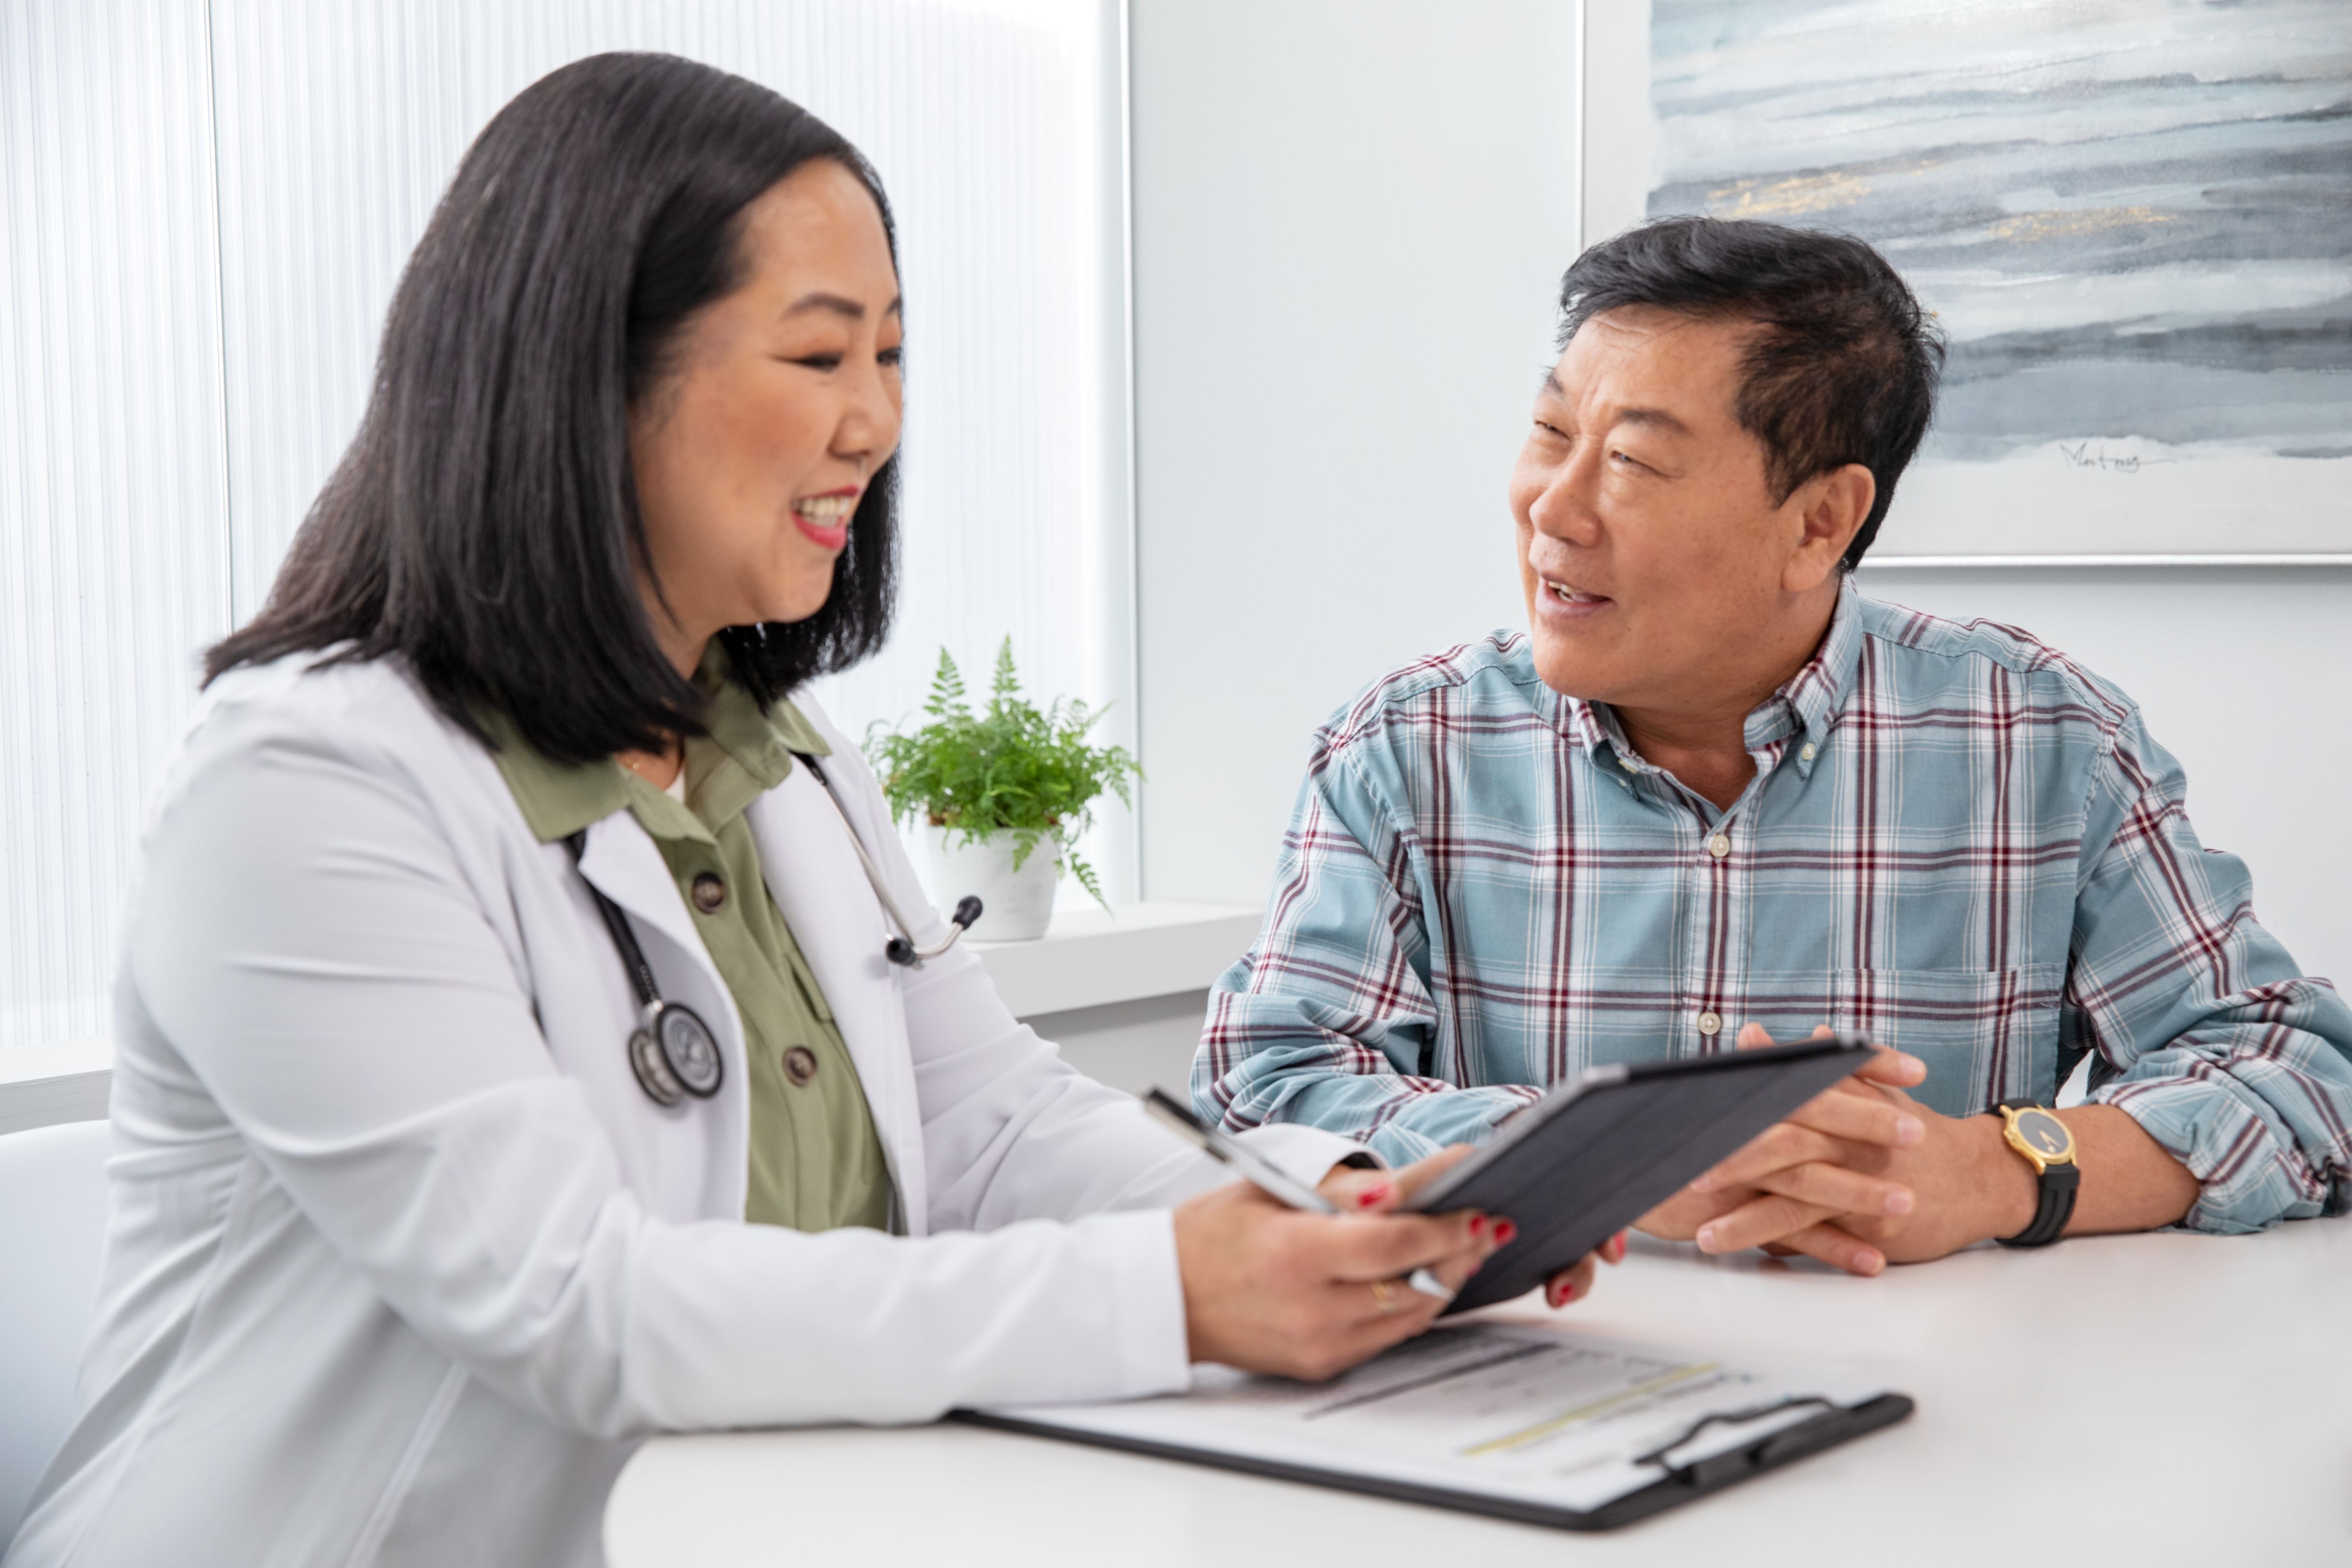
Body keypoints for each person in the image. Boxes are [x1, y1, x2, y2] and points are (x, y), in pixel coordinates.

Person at [4, 55, 1591, 1568]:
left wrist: (1323, 1224)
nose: (877, 422)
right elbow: (579, 1304)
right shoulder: (303, 785)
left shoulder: (771, 750)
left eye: (892, 355)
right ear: (591, 377)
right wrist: (1174, 1293)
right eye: (822, 354)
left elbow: (992, 1126)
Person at [1195, 217, 2352, 1281]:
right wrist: (1605, 1160)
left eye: (1635, 463)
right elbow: (1266, 1091)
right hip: (1535, 1378)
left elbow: (2303, 1080)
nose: (1552, 507)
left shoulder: (2039, 740)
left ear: (1818, 524)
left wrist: (1996, 1169)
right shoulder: (1406, 750)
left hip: (1951, 1418)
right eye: (1552, 431)